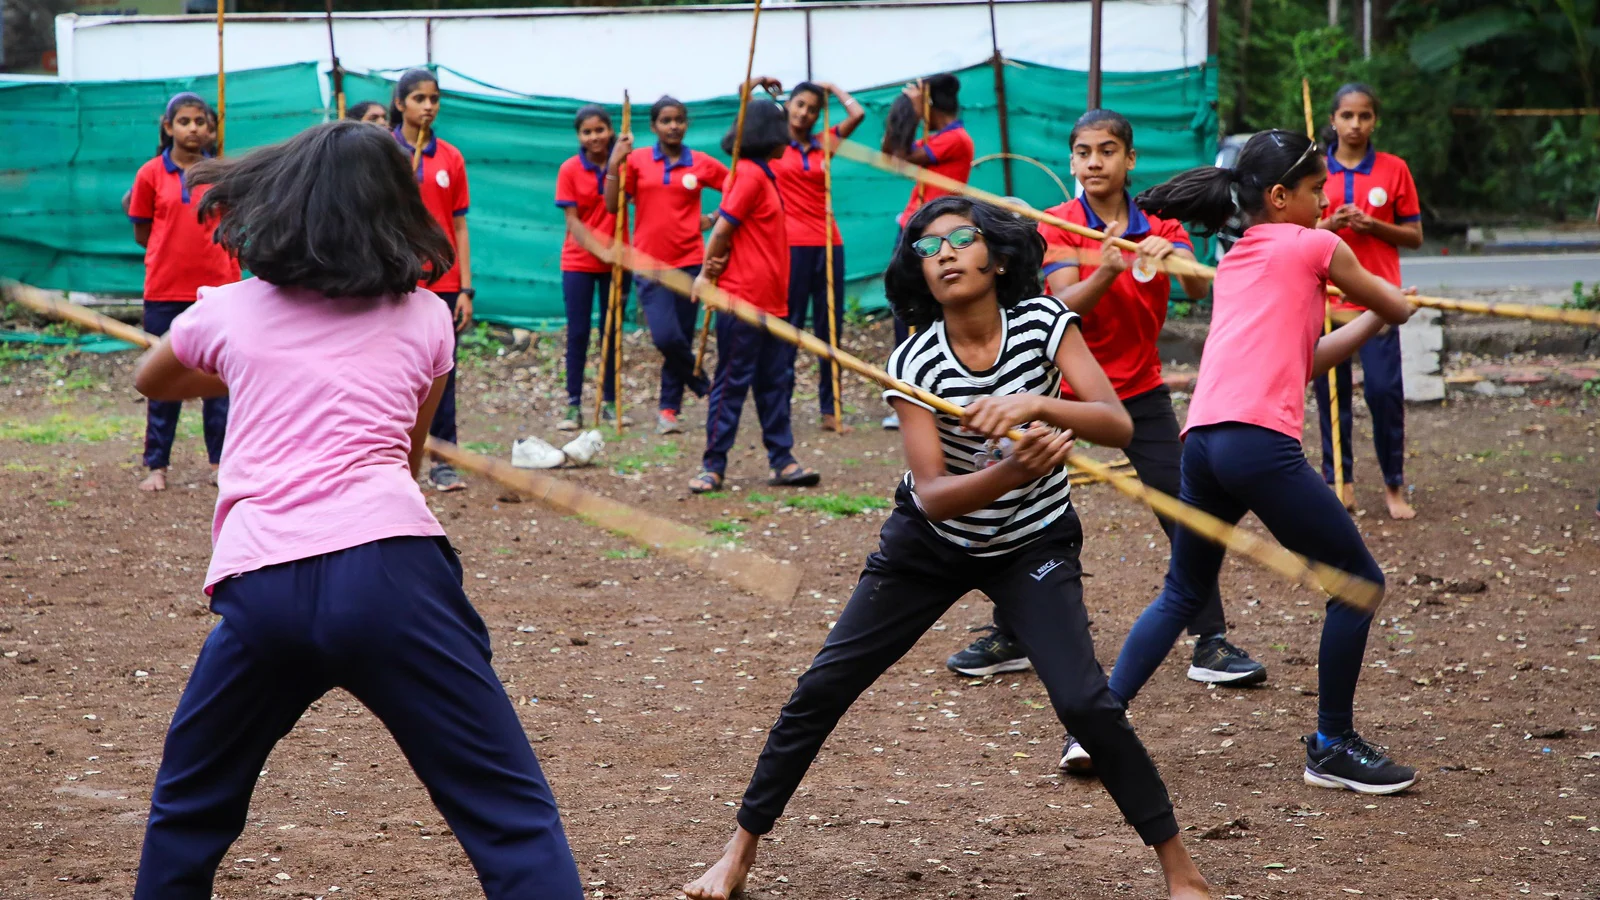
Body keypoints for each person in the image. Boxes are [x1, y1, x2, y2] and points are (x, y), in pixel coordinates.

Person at [681, 196, 1210, 900]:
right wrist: (1009, 471)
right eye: (929, 248)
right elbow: (931, 492)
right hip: (930, 544)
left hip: (1032, 543)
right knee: (822, 688)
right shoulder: (915, 362)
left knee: (1086, 703)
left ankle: (1181, 870)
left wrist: (1036, 405)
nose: (948, 254)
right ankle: (738, 851)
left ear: (995, 256)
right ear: (919, 273)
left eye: (962, 239)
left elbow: (1114, 423)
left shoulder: (1046, 324)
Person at [127, 122, 583, 900]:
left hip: (261, 585)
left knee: (188, 806)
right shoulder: (428, 320)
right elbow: (405, 460)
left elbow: (153, 379)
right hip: (391, 578)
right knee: (509, 816)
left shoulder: (227, 312)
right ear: (399, 212)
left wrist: (252, 369)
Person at [946, 109, 1265, 772]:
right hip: (1064, 388)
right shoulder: (1057, 225)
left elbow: (1192, 289)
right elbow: (1066, 308)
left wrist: (1167, 256)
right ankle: (1011, 634)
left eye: (1108, 151)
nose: (1095, 163)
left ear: (1129, 160)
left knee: (1184, 510)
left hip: (1140, 392)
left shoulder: (1165, 226)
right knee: (1019, 508)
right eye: (1084, 152)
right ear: (1072, 162)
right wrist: (1112, 267)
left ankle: (1211, 642)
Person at [1109, 130, 1419, 795]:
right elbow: (1390, 298)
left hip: (1203, 443)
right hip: (1256, 444)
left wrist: (1371, 321)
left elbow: (1302, 361)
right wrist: (1397, 307)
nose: (1324, 200)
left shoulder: (1242, 256)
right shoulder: (1316, 245)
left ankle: (1095, 725)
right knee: (1356, 584)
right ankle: (1332, 743)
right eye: (1314, 191)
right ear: (1280, 197)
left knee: (1182, 591)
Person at [688, 100, 821, 494]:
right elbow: (722, 232)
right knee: (731, 384)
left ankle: (783, 461)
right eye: (781, 130)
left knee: (774, 382)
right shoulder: (747, 176)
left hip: (773, 304)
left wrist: (759, 90)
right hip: (743, 302)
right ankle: (713, 466)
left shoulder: (764, 173)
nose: (788, 138)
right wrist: (703, 277)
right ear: (767, 136)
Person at [1315, 83, 1424, 520]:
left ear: (1375, 120)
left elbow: (1414, 236)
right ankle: (1338, 483)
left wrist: (1373, 226)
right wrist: (1331, 222)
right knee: (1331, 393)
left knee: (1383, 391)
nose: (1355, 124)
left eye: (1364, 116)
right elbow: (1299, 233)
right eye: (1347, 116)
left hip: (1378, 299)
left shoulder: (1394, 169)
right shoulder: (1315, 168)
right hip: (1326, 298)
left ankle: (1394, 486)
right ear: (1333, 120)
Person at [126, 92, 240, 493]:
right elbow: (143, 230)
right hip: (165, 288)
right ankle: (157, 464)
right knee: (164, 378)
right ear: (168, 125)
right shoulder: (150, 174)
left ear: (211, 128)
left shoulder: (224, 173)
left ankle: (220, 462)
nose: (194, 128)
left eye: (201, 122)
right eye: (185, 121)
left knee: (220, 380)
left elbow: (236, 226)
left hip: (220, 289)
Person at [605, 95, 727, 435]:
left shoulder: (700, 162)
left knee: (682, 338)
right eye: (666, 120)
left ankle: (668, 409)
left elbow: (734, 187)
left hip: (690, 263)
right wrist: (615, 163)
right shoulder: (638, 160)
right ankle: (704, 385)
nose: (673, 126)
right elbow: (613, 206)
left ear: (686, 124)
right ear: (654, 125)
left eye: (679, 120)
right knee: (666, 337)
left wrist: (715, 217)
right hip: (649, 264)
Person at [759, 76, 866, 433]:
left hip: (829, 244)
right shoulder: (772, 144)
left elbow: (858, 113)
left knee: (830, 329)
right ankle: (779, 409)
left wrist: (833, 87)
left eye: (812, 109)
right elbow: (742, 106)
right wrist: (759, 81)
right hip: (789, 248)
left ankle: (830, 409)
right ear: (788, 105)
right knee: (788, 329)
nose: (804, 113)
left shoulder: (824, 145)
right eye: (800, 105)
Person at [390, 68, 474, 492]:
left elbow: (459, 227)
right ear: (400, 102)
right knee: (392, 370)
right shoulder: (383, 150)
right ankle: (393, 458)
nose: (428, 106)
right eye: (420, 98)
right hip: (394, 276)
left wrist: (465, 287)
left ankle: (443, 459)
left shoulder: (452, 157)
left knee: (442, 373)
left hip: (441, 280)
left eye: (434, 99)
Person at [880, 72, 974, 429]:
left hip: (935, 237)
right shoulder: (941, 137)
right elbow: (892, 156)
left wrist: (914, 111)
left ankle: (925, 394)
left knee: (927, 311)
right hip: (912, 228)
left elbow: (902, 154)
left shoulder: (955, 139)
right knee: (904, 310)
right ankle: (906, 393)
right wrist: (909, 115)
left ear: (933, 105)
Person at [555, 104, 631, 428]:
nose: (594, 136)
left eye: (600, 129)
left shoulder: (626, 165)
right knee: (579, 332)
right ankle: (573, 403)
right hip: (579, 261)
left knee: (611, 331)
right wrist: (600, 250)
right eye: (587, 131)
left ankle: (611, 401)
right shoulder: (570, 169)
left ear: (611, 131)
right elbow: (573, 222)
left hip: (618, 260)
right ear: (579, 136)